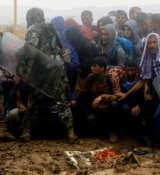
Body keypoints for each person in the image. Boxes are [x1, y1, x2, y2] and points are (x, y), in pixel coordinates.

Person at [16, 7, 78, 143]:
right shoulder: (51, 27)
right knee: (62, 102)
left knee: (33, 102)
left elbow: (30, 49)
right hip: (57, 69)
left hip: (41, 72)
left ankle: (26, 132)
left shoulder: (33, 29)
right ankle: (71, 133)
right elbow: (64, 49)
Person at [118, 33, 160, 147]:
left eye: (154, 42)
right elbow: (143, 80)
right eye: (149, 43)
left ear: (159, 42)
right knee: (154, 116)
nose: (151, 45)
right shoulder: (148, 60)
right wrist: (126, 95)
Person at [74, 56, 122, 143]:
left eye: (94, 66)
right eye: (92, 66)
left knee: (115, 104)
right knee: (84, 109)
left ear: (102, 68)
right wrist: (73, 99)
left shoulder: (111, 78)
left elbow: (118, 95)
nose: (91, 68)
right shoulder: (90, 77)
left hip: (108, 108)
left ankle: (111, 130)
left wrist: (102, 97)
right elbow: (81, 90)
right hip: (95, 107)